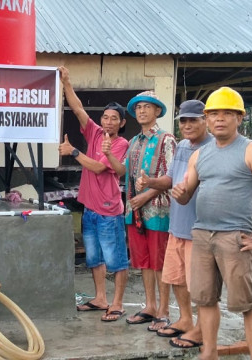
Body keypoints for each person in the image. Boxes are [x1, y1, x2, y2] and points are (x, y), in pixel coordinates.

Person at [171, 87, 252, 360]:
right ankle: (209, 353)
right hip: (201, 235)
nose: (219, 119)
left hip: (235, 238)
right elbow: (186, 196)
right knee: (205, 300)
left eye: (227, 113)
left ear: (239, 118)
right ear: (207, 118)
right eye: (214, 114)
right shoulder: (199, 155)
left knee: (247, 303)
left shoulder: (251, 150)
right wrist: (181, 193)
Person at [136, 100, 211, 349]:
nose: (187, 125)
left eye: (193, 120)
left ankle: (201, 329)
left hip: (199, 227)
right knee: (177, 277)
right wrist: (150, 182)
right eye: (184, 121)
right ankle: (186, 320)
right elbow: (171, 179)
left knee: (198, 283)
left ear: (206, 120)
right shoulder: (182, 147)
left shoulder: (213, 147)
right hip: (176, 224)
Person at [57, 66, 130, 322]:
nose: (108, 121)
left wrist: (74, 152)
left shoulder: (121, 144)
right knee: (94, 258)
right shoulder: (95, 133)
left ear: (122, 123)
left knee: (116, 260)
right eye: (106, 117)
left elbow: (100, 167)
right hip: (90, 209)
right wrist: (67, 82)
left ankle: (117, 303)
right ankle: (101, 298)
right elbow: (77, 108)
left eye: (114, 118)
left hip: (109, 211)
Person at [121, 90, 176, 330]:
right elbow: (122, 172)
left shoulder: (167, 139)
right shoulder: (133, 142)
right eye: (138, 107)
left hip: (158, 210)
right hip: (134, 211)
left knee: (160, 262)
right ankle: (150, 306)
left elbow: (172, 176)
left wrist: (145, 196)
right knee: (143, 262)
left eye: (147, 107)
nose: (142, 111)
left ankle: (164, 310)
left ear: (157, 111)